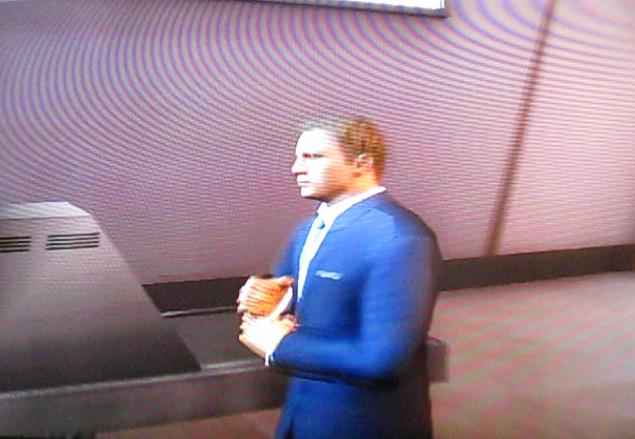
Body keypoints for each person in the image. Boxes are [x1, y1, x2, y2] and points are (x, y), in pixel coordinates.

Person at [238, 117, 441, 439]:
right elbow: (291, 293)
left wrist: (280, 347)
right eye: (297, 157)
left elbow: (382, 359)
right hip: (302, 416)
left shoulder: (401, 239)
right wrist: (267, 298)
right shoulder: (307, 231)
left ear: (362, 164)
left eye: (313, 157)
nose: (296, 169)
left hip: (365, 425)